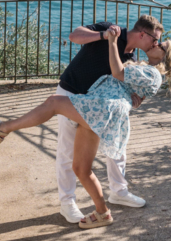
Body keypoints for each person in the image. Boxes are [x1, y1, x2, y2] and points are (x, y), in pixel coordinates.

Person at [0, 28, 171, 228]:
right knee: (81, 169)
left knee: (54, 103)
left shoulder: (153, 74)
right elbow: (133, 90)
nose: (157, 43)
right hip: (100, 107)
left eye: (161, 45)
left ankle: (3, 128)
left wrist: (111, 42)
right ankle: (103, 213)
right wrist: (134, 98)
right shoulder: (143, 66)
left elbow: (118, 72)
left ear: (166, 57)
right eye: (158, 40)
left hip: (102, 108)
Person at [54, 15, 162, 222]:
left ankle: (119, 192)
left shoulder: (131, 60)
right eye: (154, 39)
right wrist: (104, 36)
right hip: (71, 94)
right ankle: (67, 202)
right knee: (67, 151)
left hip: (99, 107)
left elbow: (124, 84)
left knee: (117, 147)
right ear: (142, 34)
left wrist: (133, 100)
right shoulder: (109, 30)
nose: (155, 44)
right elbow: (74, 35)